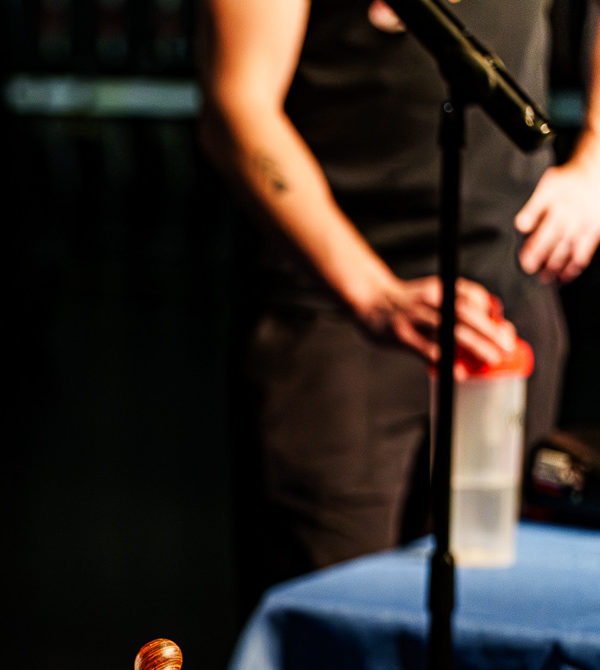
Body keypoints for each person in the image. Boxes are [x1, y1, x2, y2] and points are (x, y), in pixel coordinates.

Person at [200, 0, 600, 595]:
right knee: (338, 629)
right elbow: (239, 104)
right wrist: (375, 295)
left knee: (489, 616)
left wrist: (594, 163)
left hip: (508, 305)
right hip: (338, 323)